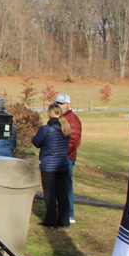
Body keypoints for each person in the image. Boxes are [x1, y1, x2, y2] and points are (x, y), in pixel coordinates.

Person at [32, 103, 72, 228]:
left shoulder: (46, 129)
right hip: (62, 164)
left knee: (49, 194)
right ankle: (64, 220)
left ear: (49, 114)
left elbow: (36, 142)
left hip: (49, 165)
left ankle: (51, 220)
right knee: (62, 193)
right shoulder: (65, 128)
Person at [55, 93, 82, 224]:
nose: (59, 105)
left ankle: (69, 214)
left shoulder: (72, 119)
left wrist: (61, 153)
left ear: (68, 104)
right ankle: (60, 212)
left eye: (62, 103)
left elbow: (73, 141)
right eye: (57, 103)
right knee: (58, 186)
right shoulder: (59, 118)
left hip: (66, 157)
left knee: (66, 186)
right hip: (58, 156)